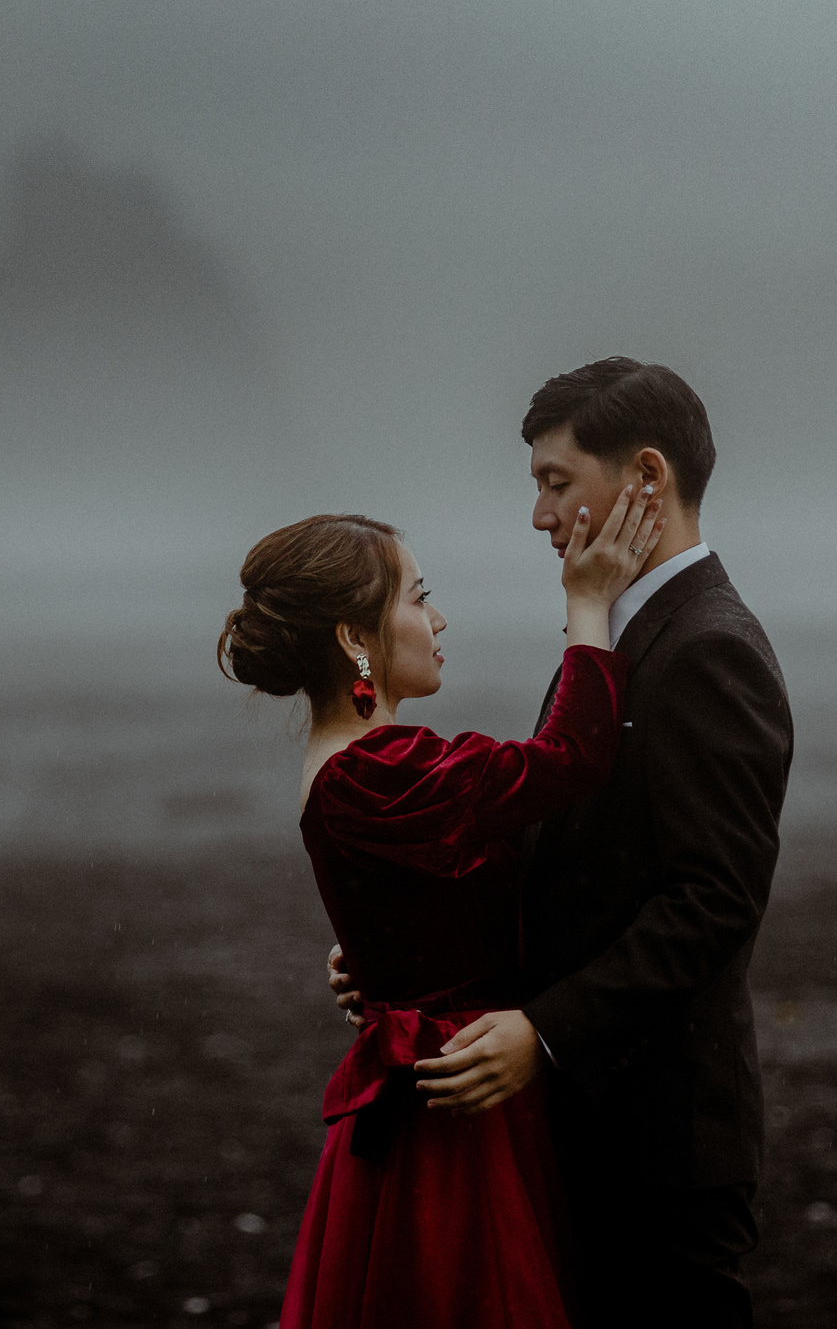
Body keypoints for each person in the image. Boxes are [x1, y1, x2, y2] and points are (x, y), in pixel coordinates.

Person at [332, 357, 795, 1327]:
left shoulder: (707, 645)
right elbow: (576, 867)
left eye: (554, 483)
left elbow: (713, 901)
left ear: (646, 480)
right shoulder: (621, 628)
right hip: (591, 1123)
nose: (538, 517)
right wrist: (413, 948)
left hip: (661, 1139)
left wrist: (543, 1036)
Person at [220, 485, 665, 1328]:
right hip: (454, 1128)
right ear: (356, 638)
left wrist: (385, 960)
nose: (440, 619)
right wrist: (586, 602)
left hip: (430, 1091)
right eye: (420, 599)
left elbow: (421, 902)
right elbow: (571, 755)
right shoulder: (382, 770)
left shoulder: (360, 765)